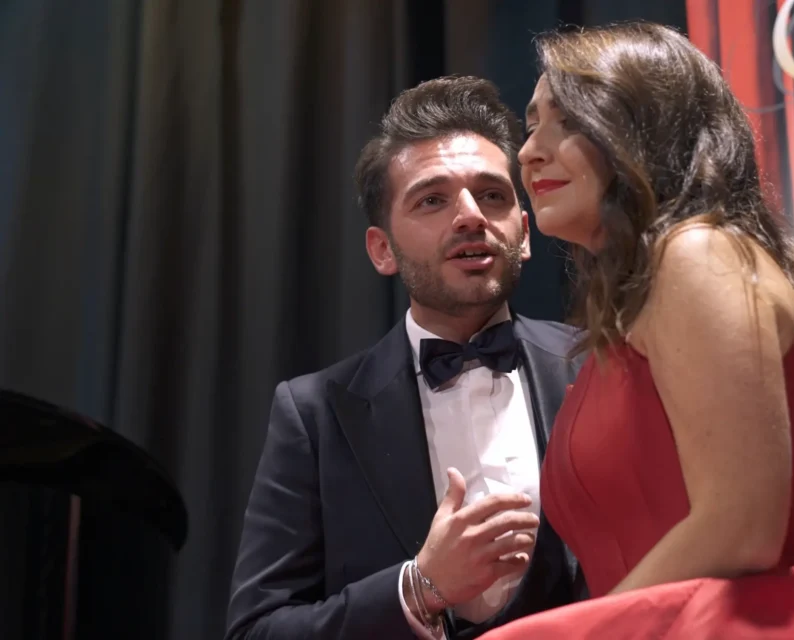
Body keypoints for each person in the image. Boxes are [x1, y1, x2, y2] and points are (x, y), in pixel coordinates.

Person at [478, 22, 794, 640]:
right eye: (530, 125)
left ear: (644, 127)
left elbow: (742, 527)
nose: (529, 151)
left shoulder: (697, 254)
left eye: (566, 121)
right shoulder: (633, 308)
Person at [225, 76, 586, 640]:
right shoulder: (314, 415)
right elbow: (256, 631)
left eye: (493, 194)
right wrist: (419, 586)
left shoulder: (597, 366)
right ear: (382, 249)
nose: (470, 215)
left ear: (524, 235)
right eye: (432, 200)